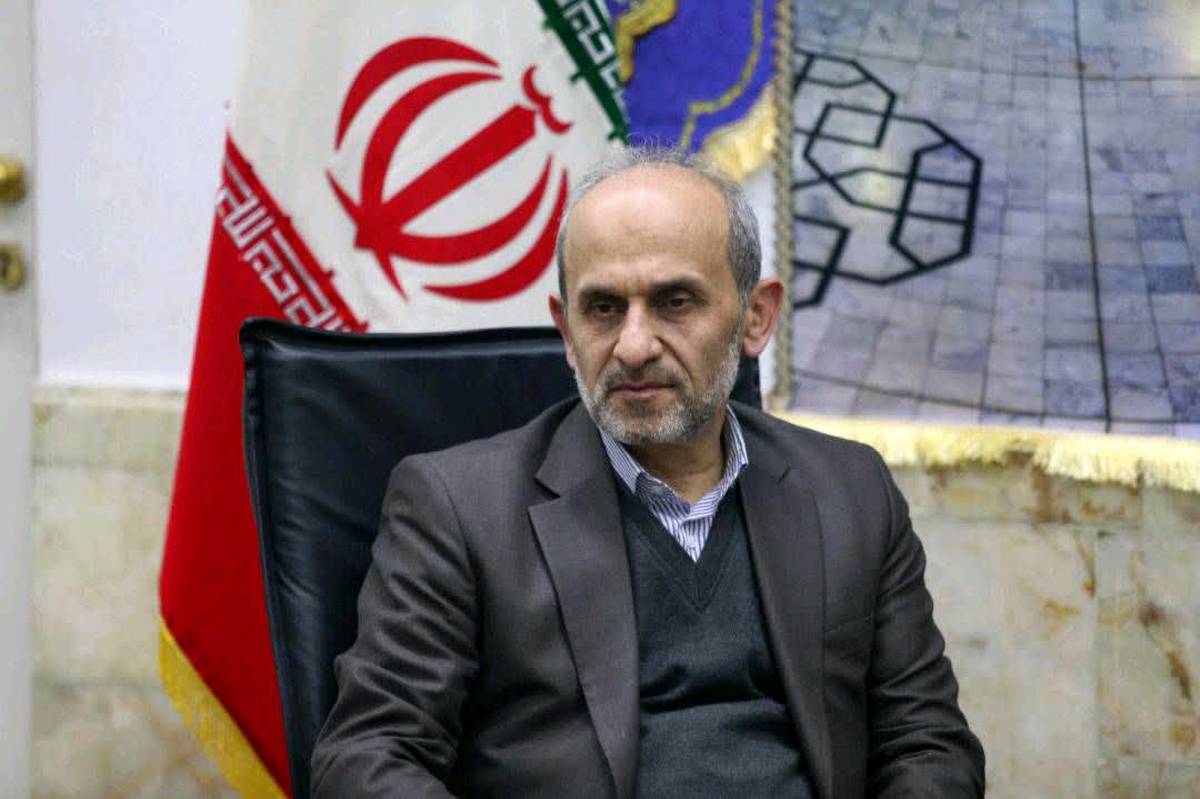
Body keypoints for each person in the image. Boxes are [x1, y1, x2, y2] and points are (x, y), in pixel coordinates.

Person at [311, 148, 985, 798]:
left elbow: (926, 743)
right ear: (566, 330)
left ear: (756, 317)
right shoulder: (459, 509)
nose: (633, 346)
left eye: (675, 302)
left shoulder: (850, 490)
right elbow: (367, 756)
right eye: (603, 308)